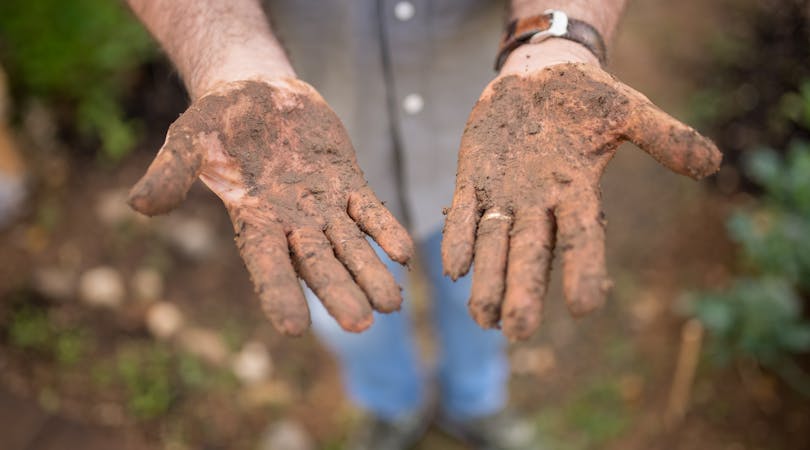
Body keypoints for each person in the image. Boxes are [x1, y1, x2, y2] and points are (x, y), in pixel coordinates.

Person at [125, 1, 721, 448]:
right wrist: (232, 57)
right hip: (304, 161)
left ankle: (475, 404)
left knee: (488, 294)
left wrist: (557, 37)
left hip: (494, 143)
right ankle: (393, 409)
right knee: (350, 314)